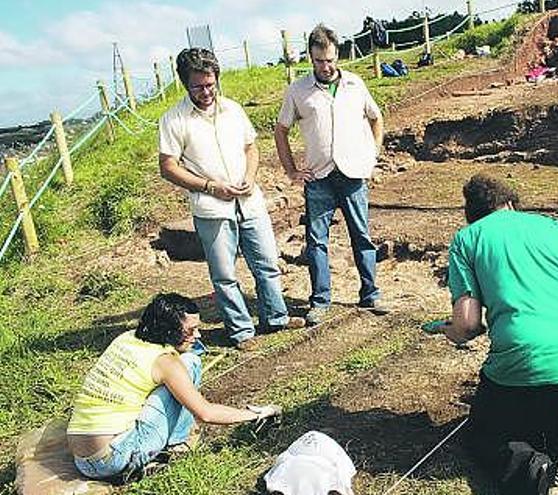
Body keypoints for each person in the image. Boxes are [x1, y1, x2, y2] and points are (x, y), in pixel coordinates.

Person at [439, 175, 558, 495]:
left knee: (485, 435)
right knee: (547, 409)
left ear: (472, 214)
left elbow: (468, 324)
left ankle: (540, 475)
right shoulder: (552, 227)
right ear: (511, 204)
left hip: (526, 363)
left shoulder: (468, 239)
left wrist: (452, 333)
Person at [159, 48, 303, 350]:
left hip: (249, 201)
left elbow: (251, 147)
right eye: (198, 86)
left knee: (266, 263)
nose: (206, 91)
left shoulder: (233, 109)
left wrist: (250, 177)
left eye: (211, 84)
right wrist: (210, 187)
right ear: (185, 83)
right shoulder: (174, 119)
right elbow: (168, 166)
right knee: (224, 274)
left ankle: (276, 317)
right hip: (211, 208)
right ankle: (240, 331)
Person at [67, 293, 282, 480]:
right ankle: (178, 446)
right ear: (169, 330)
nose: (197, 335)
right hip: (113, 458)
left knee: (179, 367)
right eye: (191, 330)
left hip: (83, 459)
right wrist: (256, 414)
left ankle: (158, 447)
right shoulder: (165, 362)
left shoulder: (126, 338)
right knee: (190, 363)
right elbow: (206, 413)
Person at [274, 24, 388, 326]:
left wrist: (372, 155)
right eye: (319, 61)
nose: (326, 66)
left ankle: (370, 293)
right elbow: (281, 130)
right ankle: (320, 300)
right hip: (319, 177)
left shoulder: (355, 84)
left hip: (353, 175)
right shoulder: (298, 90)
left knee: (361, 235)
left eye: (331, 59)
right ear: (310, 58)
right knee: (317, 242)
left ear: (338, 55)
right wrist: (291, 171)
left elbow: (376, 118)